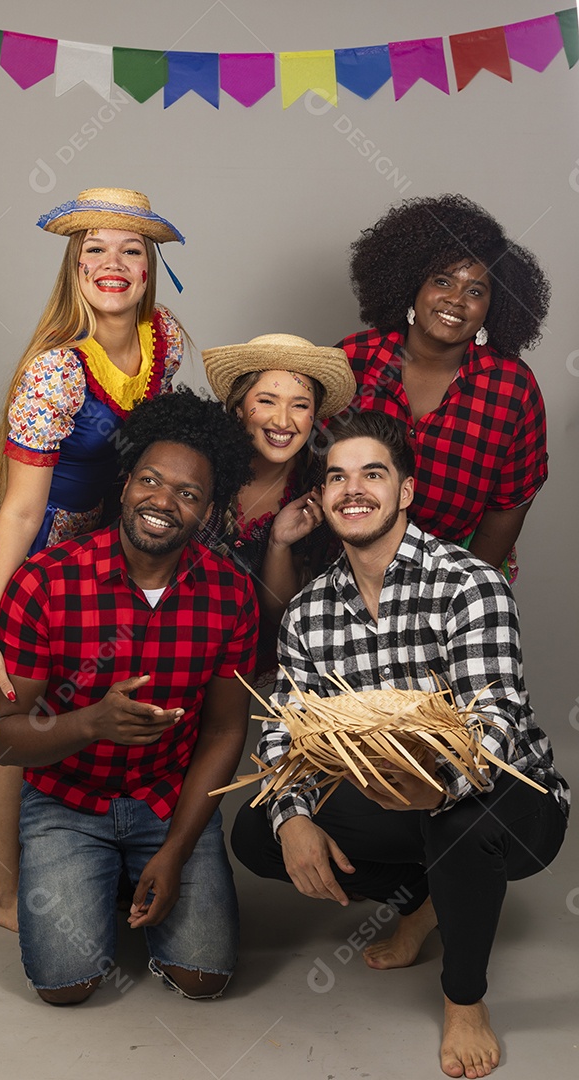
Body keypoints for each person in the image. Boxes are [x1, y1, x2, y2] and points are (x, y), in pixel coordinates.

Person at [0, 187, 186, 931]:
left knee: (66, 702)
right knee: (6, 706)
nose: (112, 265)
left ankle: (37, 843)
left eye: (130, 250)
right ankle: (4, 890)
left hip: (91, 530)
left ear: (151, 268)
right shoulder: (57, 371)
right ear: (73, 270)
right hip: (16, 531)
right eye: (94, 252)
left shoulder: (164, 337)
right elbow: (20, 508)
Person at [232, 411, 568, 1078]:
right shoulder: (307, 613)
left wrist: (438, 781)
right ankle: (424, 897)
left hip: (511, 800)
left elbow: (494, 718)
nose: (353, 490)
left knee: (464, 825)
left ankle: (464, 999)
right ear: (322, 497)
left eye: (373, 475)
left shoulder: (469, 581)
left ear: (405, 491)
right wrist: (293, 815)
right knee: (256, 836)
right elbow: (284, 729)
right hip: (389, 799)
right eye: (337, 477)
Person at [0, 388, 258, 1004]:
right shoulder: (45, 580)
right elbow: (5, 739)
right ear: (127, 481)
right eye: (151, 480)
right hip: (67, 801)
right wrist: (91, 723)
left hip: (168, 801)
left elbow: (223, 732)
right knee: (65, 984)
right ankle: (90, 874)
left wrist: (176, 849)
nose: (163, 502)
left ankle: (133, 871)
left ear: (209, 511)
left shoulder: (231, 594)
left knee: (204, 978)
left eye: (188, 494)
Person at [336, 193, 551, 581]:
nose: (456, 299)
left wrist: (462, 593)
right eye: (442, 281)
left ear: (493, 306)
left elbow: (510, 505)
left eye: (475, 290)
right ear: (412, 285)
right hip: (344, 565)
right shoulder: (353, 360)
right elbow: (309, 465)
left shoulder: (512, 389)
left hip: (453, 575)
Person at [201, 334, 355, 677]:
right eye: (267, 401)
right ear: (239, 407)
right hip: (179, 651)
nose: (283, 421)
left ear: (314, 415)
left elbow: (284, 612)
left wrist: (279, 543)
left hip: (261, 675)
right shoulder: (199, 469)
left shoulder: (322, 492)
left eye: (299, 405)